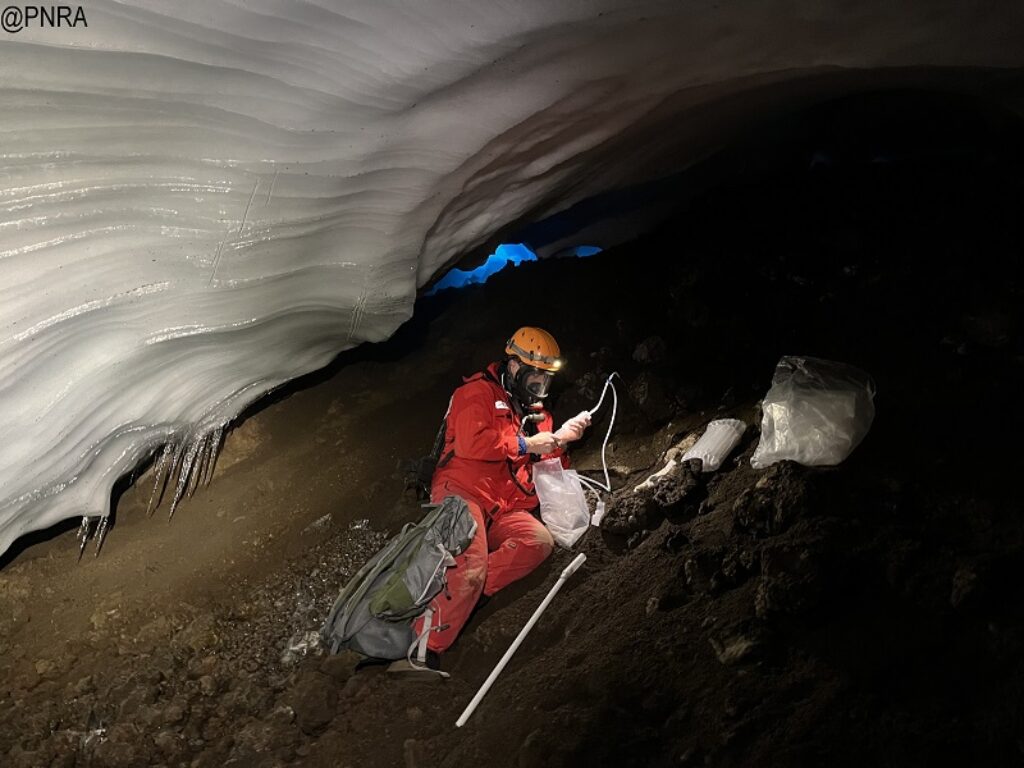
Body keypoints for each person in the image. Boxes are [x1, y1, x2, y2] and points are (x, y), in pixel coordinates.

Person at [394, 327, 591, 674]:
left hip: (502, 505)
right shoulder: (476, 394)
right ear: (515, 366)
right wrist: (528, 445)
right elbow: (474, 445)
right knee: (468, 567)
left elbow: (544, 468)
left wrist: (560, 440)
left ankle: (467, 598)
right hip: (462, 493)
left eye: (545, 381)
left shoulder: (537, 414)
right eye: (535, 377)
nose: (539, 388)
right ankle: (420, 651)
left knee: (536, 542)